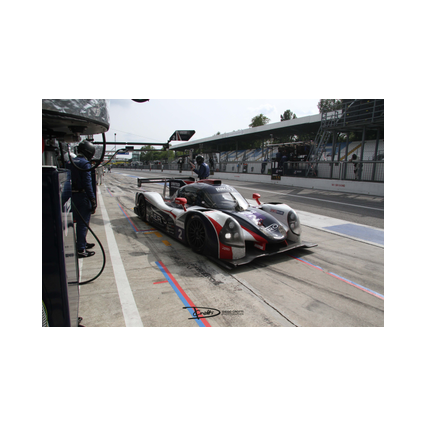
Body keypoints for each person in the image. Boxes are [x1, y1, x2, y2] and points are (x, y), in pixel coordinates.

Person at [66, 140, 97, 258]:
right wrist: (92, 199)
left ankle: (82, 243)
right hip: (82, 196)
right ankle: (81, 249)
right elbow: (87, 183)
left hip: (70, 196)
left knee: (73, 222)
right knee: (82, 223)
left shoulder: (69, 162)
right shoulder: (85, 164)